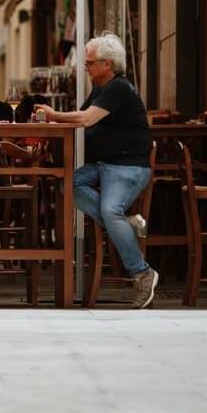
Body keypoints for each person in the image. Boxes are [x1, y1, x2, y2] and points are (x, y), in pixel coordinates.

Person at [41, 32, 157, 308]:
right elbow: (77, 118)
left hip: (128, 166)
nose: (86, 68)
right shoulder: (101, 89)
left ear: (108, 64)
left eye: (90, 63)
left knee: (109, 210)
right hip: (103, 166)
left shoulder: (118, 87)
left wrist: (53, 115)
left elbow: (84, 118)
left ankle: (142, 273)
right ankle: (126, 226)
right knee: (66, 183)